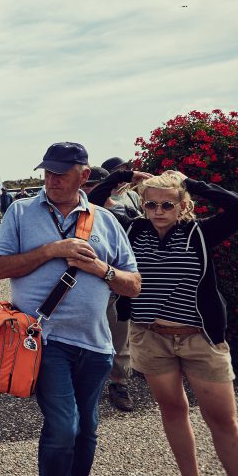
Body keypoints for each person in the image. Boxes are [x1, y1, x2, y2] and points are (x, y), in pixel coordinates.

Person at [90, 168, 238, 476]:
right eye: (151, 205)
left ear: (183, 205)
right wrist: (123, 174)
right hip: (151, 337)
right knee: (173, 410)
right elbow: (91, 204)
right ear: (143, 206)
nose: (159, 211)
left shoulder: (199, 232)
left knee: (223, 420)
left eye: (167, 205)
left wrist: (190, 182)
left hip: (199, 339)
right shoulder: (133, 229)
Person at [0, 141, 141, 476]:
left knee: (87, 429)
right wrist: (52, 250)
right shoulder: (21, 212)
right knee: (63, 428)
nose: (52, 179)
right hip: (44, 340)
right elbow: (0, 268)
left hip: (95, 344)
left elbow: (134, 284)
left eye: (61, 172)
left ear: (84, 175)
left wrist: (101, 270)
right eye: (48, 171)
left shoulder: (106, 221)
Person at [80, 165, 134, 411]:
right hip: (86, 289)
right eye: (85, 185)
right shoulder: (79, 213)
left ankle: (118, 382)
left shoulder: (124, 212)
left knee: (118, 335)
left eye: (92, 185)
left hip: (116, 287)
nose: (86, 190)